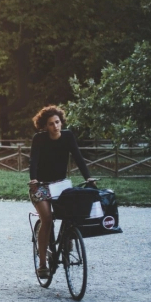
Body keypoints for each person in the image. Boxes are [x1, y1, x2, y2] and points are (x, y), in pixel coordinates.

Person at [28, 105, 96, 279]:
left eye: (57, 122)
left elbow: (78, 158)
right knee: (48, 219)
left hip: (60, 185)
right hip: (41, 186)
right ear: (45, 126)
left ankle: (69, 237)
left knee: (72, 212)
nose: (55, 126)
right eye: (51, 124)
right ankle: (43, 264)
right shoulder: (39, 139)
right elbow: (33, 161)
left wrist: (88, 178)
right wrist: (34, 179)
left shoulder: (68, 136)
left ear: (61, 122)